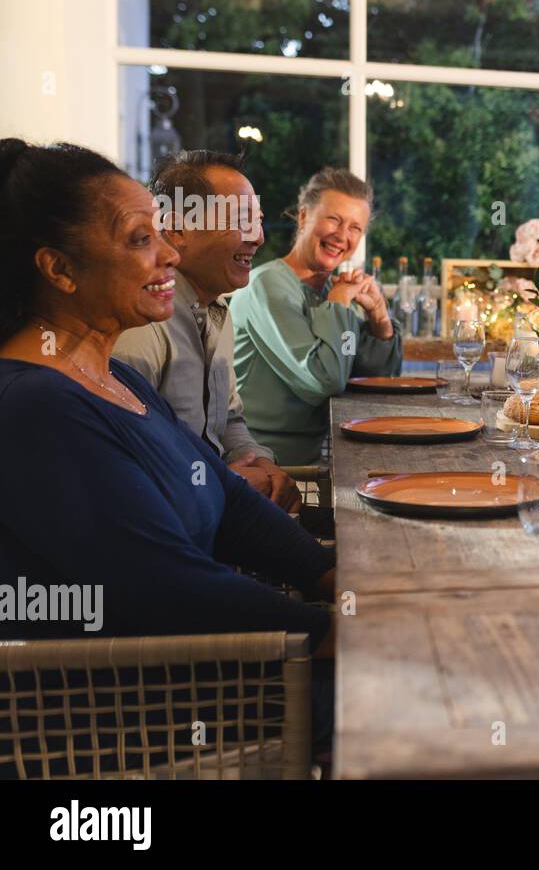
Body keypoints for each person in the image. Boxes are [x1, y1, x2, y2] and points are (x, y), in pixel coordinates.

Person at [0, 138, 335, 650]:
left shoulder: (117, 379)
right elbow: (167, 591)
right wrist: (335, 632)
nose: (170, 254)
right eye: (140, 239)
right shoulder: (36, 407)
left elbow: (230, 499)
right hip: (133, 709)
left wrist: (330, 576)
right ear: (60, 270)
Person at [114, 150, 301, 512]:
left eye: (258, 221)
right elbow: (124, 467)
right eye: (242, 220)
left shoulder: (216, 309)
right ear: (177, 229)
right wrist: (222, 481)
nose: (258, 237)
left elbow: (229, 420)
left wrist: (260, 461)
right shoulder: (140, 321)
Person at [229, 167, 402, 465]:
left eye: (355, 228)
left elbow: (375, 381)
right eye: (333, 219)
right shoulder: (266, 285)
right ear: (303, 217)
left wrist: (379, 318)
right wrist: (338, 303)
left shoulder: (328, 292)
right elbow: (325, 380)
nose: (342, 236)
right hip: (267, 466)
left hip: (322, 458)